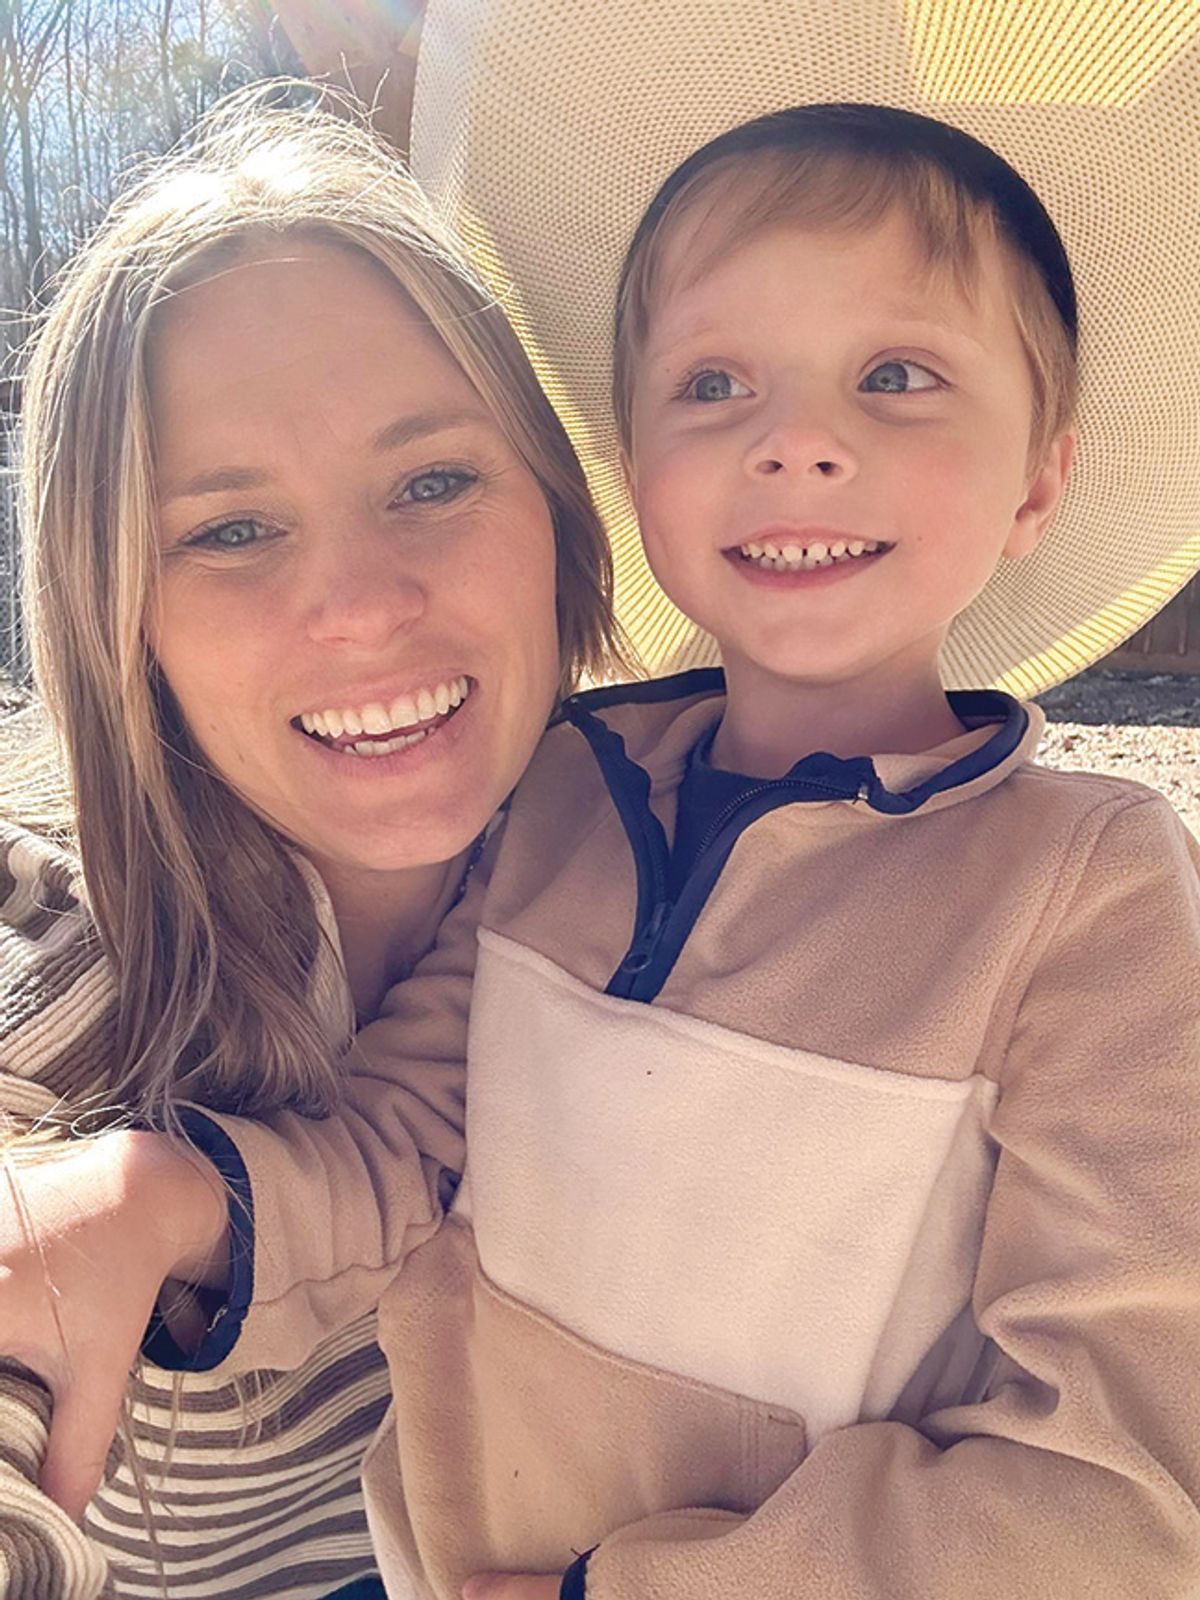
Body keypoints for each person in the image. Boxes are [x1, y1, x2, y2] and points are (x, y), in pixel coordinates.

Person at [10, 7, 1200, 1600]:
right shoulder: (568, 802)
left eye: (897, 376)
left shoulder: (1087, 891)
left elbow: (1128, 1483)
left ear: (1040, 476)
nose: (800, 442)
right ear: (634, 464)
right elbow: (410, 1150)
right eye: (716, 382)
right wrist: (170, 1205)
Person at [0, 86, 617, 1600]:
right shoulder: (45, 972)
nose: (361, 607)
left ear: (557, 517)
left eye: (434, 482)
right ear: (113, 608)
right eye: (230, 530)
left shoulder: (686, 862)